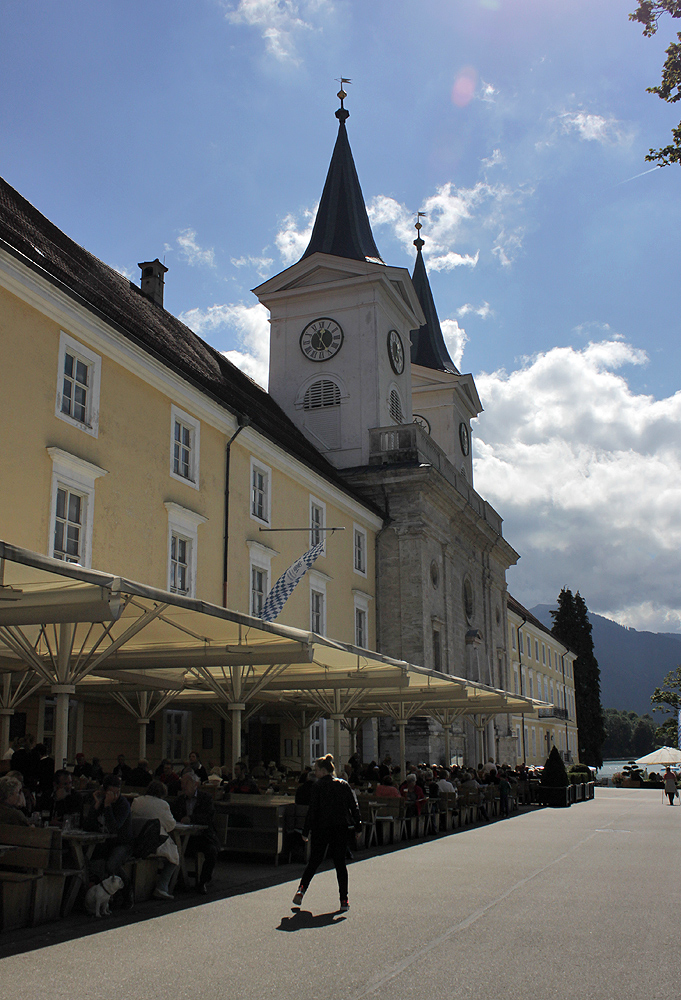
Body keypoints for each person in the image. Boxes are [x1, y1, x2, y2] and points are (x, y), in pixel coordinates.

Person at [292, 754, 361, 913]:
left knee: (314, 861)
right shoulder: (343, 785)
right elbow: (353, 807)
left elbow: (312, 810)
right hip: (340, 827)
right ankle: (344, 899)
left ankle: (301, 890)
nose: (315, 773)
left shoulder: (317, 786)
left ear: (323, 771)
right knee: (340, 864)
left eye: (316, 770)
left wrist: (305, 831)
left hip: (321, 827)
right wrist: (358, 827)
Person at [170, 771, 220, 894]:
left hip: (203, 836)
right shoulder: (179, 800)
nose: (183, 786)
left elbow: (208, 817)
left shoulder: (205, 798)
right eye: (182, 783)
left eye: (186, 783)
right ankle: (180, 880)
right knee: (174, 850)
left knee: (212, 851)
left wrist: (191, 818)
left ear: (195, 784)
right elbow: (172, 815)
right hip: (184, 837)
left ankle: (202, 881)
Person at [131, 780, 179, 900]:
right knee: (174, 856)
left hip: (136, 839)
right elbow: (171, 824)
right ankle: (162, 886)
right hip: (154, 841)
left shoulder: (137, 801)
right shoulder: (162, 805)